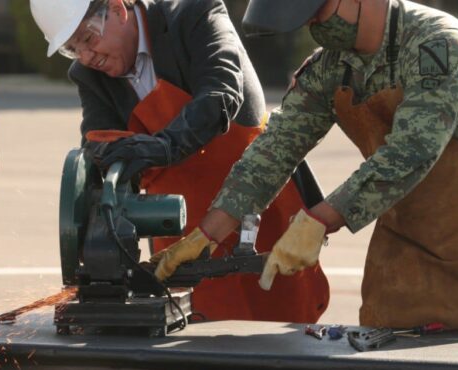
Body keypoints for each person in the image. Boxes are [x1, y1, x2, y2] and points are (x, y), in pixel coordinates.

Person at [157, 0, 458, 329]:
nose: (314, 27)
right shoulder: (330, 67)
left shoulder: (439, 45)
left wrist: (320, 219)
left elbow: (414, 150)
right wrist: (206, 236)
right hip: (405, 239)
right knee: (385, 348)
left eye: (318, 13)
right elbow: (274, 151)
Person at [30, 0, 330, 323]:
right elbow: (98, 145)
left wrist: (160, 148)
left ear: (117, 8)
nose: (87, 56)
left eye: (88, 39)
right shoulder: (89, 76)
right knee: (193, 339)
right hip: (182, 234)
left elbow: (220, 96)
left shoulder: (194, 14)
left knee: (282, 332)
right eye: (73, 49)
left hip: (258, 207)